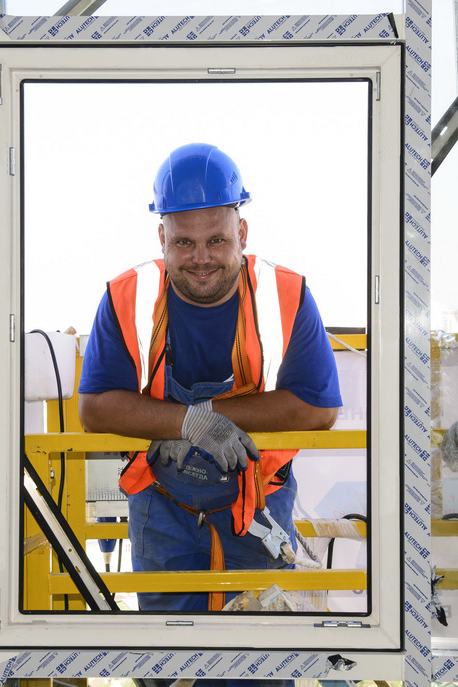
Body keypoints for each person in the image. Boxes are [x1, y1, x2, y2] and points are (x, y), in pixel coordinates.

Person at [78, 142, 342, 613]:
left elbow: (317, 407)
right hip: (162, 508)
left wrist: (199, 418)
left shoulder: (286, 295)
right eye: (184, 242)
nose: (201, 258)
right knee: (173, 666)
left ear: (241, 231)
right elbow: (95, 405)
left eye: (216, 240)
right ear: (163, 238)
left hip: (257, 504)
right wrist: (187, 424)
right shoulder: (128, 296)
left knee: (260, 664)